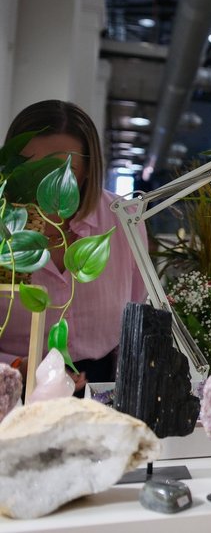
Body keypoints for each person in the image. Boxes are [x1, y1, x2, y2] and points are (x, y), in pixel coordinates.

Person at [0, 100, 147, 392]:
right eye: (29, 168)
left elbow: (135, 315)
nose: (42, 181)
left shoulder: (122, 220)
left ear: (89, 170)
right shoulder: (6, 222)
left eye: (59, 169)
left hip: (100, 386)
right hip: (12, 387)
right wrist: (16, 368)